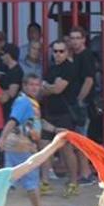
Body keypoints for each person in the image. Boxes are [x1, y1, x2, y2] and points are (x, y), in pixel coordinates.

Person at [0, 74, 60, 206]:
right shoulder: (25, 102)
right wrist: (2, 137)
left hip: (19, 145)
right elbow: (13, 120)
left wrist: (55, 130)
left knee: (9, 180)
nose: (34, 88)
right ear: (24, 86)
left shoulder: (29, 102)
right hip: (21, 145)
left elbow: (38, 122)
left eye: (37, 85)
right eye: (31, 85)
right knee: (28, 179)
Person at [41, 40, 81, 196]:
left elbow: (57, 89)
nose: (58, 54)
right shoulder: (51, 69)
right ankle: (45, 182)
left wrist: (48, 87)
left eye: (61, 51)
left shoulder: (69, 69)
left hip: (64, 114)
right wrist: (50, 88)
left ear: (67, 52)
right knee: (44, 147)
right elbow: (41, 91)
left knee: (66, 149)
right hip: (50, 113)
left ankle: (73, 182)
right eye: (55, 51)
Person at [68, 26, 95, 184]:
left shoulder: (86, 56)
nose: (75, 41)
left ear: (84, 39)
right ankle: (84, 173)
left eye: (78, 37)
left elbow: (89, 80)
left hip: (82, 105)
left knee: (81, 140)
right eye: (73, 38)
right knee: (78, 140)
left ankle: (86, 174)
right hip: (77, 104)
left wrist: (79, 100)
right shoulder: (76, 56)